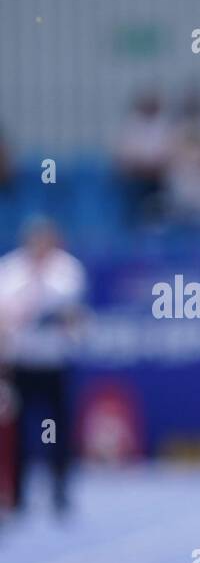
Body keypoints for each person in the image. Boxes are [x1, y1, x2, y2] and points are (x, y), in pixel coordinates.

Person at [0, 216, 89, 515]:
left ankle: (60, 490)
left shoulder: (67, 269)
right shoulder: (10, 270)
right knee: (18, 431)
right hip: (21, 363)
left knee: (58, 431)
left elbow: (64, 305)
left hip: (54, 363)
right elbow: (7, 312)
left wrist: (31, 300)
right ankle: (17, 494)